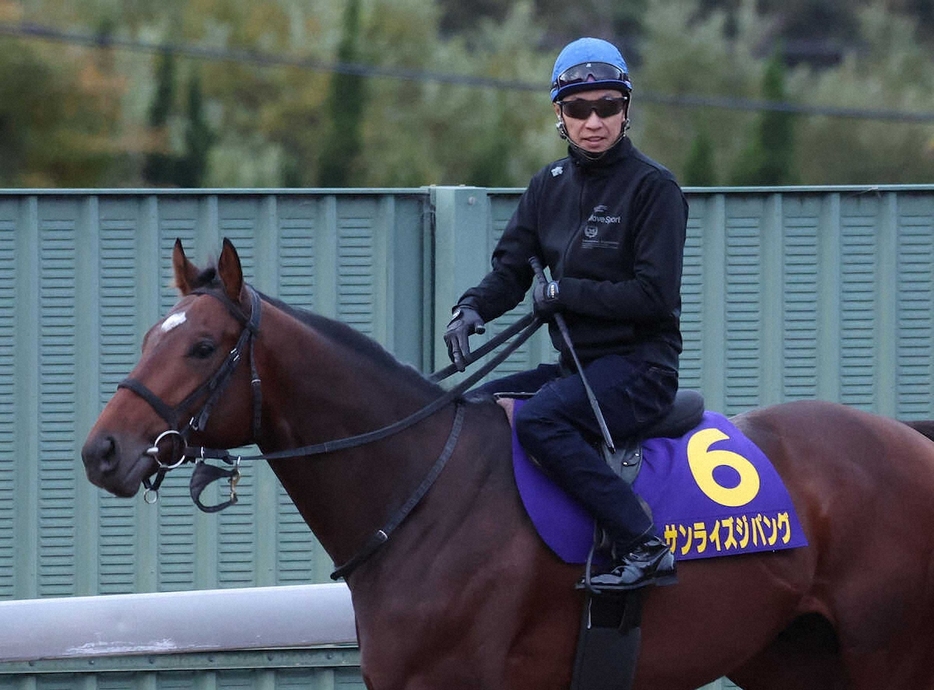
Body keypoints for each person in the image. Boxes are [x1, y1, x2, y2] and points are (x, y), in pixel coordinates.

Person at [443, 37, 688, 591]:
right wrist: (471, 309)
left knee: (539, 419)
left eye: (607, 106)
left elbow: (653, 296)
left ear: (627, 110)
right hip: (577, 368)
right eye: (579, 109)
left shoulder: (655, 188)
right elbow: (510, 272)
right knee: (466, 408)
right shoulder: (546, 186)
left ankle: (644, 542)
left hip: (641, 368)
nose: (593, 121)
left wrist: (566, 294)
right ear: (560, 114)